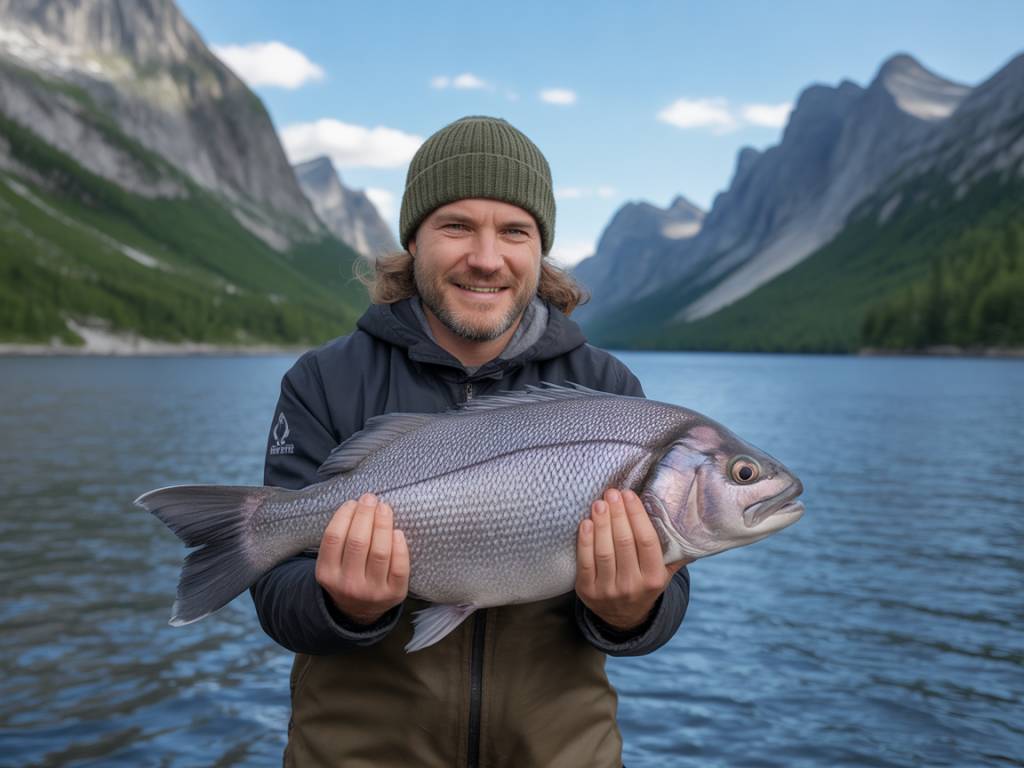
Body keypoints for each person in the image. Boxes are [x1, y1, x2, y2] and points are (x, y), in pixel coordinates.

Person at [254, 115, 691, 768]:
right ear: (414, 240)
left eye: (515, 231)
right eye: (456, 225)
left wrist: (633, 612)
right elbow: (275, 595)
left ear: (539, 249)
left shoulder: (607, 386)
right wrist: (340, 604)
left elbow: (669, 593)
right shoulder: (325, 380)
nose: (486, 258)